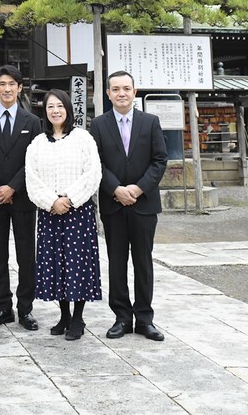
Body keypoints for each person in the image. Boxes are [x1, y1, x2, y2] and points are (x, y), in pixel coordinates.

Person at [90, 70, 168, 342]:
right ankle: (122, 317)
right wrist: (115, 189)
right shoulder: (98, 125)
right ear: (108, 93)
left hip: (143, 204)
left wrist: (138, 188)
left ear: (135, 92)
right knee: (117, 262)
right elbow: (96, 163)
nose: (121, 93)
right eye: (115, 89)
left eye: (126, 88)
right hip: (114, 205)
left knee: (144, 263)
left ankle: (145, 319)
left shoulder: (150, 122)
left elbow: (159, 160)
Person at [25, 88, 102, 341]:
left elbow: (93, 173)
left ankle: (78, 317)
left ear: (68, 109)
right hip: (49, 213)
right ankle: (64, 315)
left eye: (60, 106)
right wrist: (51, 201)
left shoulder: (83, 138)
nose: (55, 110)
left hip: (77, 212)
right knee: (55, 264)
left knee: (77, 264)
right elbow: (31, 178)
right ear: (44, 112)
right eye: (50, 107)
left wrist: (69, 199)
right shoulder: (37, 143)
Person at [0, 64, 41, 330]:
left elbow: (34, 160)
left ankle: (25, 308)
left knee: (26, 255)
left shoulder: (32, 122)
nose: (7, 89)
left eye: (12, 84)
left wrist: (12, 187)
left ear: (20, 87)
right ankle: (3, 307)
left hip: (23, 197)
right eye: (2, 84)